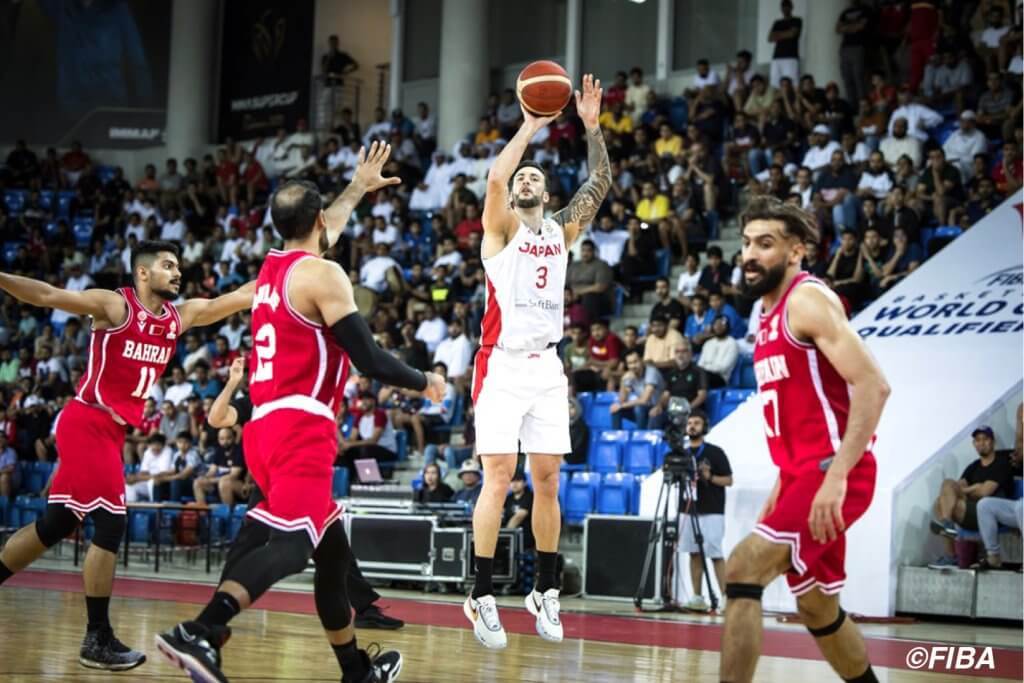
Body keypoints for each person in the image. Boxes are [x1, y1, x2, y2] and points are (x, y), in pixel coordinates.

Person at [156, 143, 445, 683]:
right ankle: (203, 629)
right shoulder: (324, 275)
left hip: (262, 430)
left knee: (330, 559)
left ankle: (356, 670)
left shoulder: (271, 272)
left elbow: (322, 225)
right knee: (291, 546)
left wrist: (358, 188)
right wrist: (424, 381)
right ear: (317, 223)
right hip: (300, 426)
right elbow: (368, 358)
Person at [0, 240, 254, 671]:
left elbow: (241, 296)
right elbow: (45, 295)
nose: (177, 273)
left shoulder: (180, 316)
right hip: (86, 421)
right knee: (112, 520)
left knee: (58, 523)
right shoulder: (115, 307)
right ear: (142, 273)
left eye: (179, 265)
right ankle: (96, 638)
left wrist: (296, 263)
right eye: (168, 265)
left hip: (112, 431)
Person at [720, 197, 890, 683]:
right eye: (747, 243)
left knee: (742, 570)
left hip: (832, 472)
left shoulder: (806, 300)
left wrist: (837, 475)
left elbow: (874, 386)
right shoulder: (767, 315)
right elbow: (803, 418)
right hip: (802, 475)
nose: (750, 254)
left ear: (796, 251)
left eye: (766, 244)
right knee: (816, 605)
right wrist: (781, 488)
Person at [467, 74, 610, 649]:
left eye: (536, 178)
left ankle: (544, 589)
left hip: (547, 367)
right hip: (500, 365)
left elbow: (600, 180)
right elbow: (498, 175)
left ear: (547, 195)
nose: (526, 179)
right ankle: (480, 595)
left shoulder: (561, 230)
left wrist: (593, 128)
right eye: (523, 176)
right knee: (497, 479)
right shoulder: (499, 230)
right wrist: (531, 124)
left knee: (547, 479)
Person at [205, 358, 406, 632]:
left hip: (303, 477)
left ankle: (365, 608)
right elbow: (216, 418)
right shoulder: (256, 399)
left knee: (336, 549)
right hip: (273, 481)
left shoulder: (305, 391)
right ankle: (217, 610)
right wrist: (231, 382)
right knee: (250, 540)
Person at [927, 426, 1014, 569]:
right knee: (943, 494)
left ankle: (951, 552)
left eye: (985, 439)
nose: (981, 443)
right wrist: (975, 487)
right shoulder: (973, 467)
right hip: (972, 510)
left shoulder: (1002, 463)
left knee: (945, 503)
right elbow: (956, 487)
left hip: (991, 513)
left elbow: (985, 492)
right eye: (978, 440)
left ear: (993, 442)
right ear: (974, 444)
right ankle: (948, 527)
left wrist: (971, 489)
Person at [679, 411, 733, 612]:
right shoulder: (682, 453)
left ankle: (726, 597)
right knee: (694, 554)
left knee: (715, 553)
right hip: (688, 509)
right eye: (690, 423)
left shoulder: (715, 452)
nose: (692, 426)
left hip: (712, 510)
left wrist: (709, 478)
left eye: (697, 423)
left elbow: (729, 480)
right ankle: (697, 596)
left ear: (705, 426)